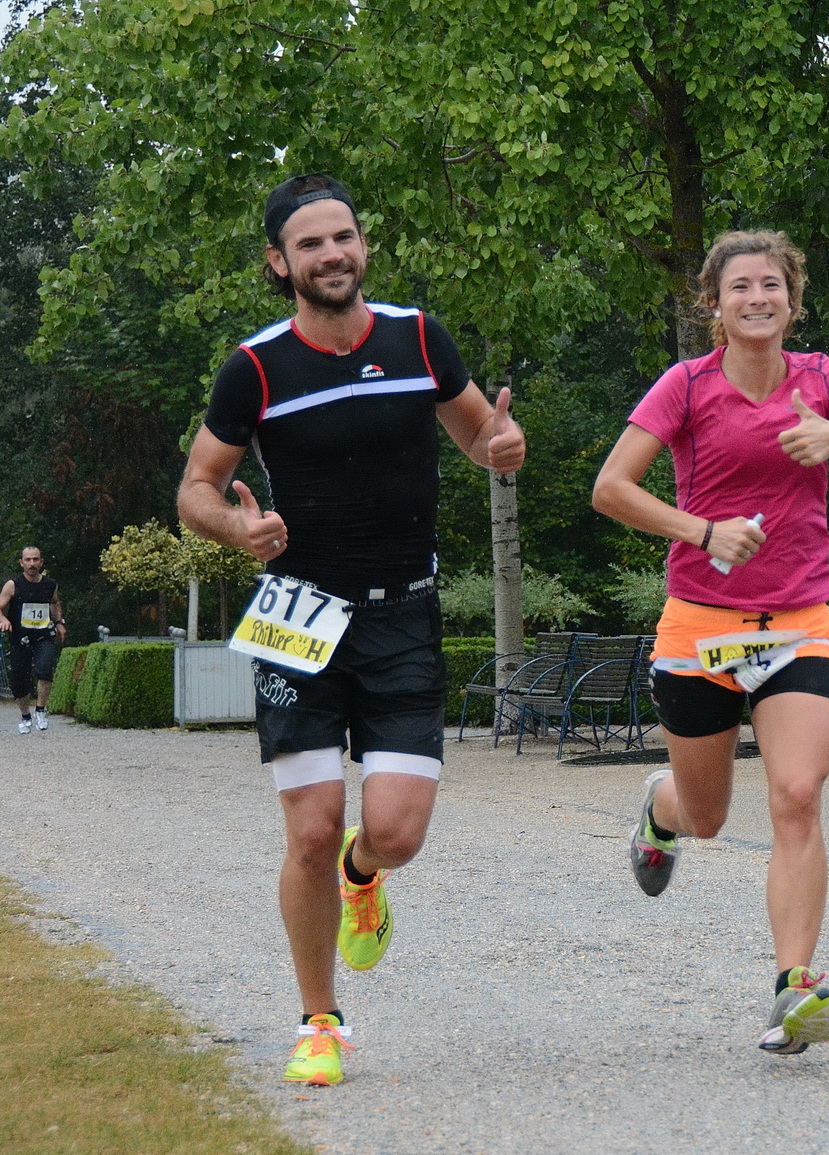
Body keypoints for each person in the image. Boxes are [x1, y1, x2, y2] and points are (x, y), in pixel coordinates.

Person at [178, 174, 524, 1086]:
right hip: (301, 616)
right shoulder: (254, 366)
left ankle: (364, 874)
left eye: (345, 237)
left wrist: (500, 447)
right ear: (278, 262)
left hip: (404, 610)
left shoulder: (417, 336)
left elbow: (477, 433)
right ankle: (318, 1021)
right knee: (308, 830)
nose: (332, 254)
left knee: (396, 830)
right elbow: (194, 492)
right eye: (311, 244)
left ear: (362, 245)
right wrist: (238, 528)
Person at [591, 230, 829, 1054]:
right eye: (741, 287)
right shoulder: (686, 385)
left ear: (792, 299)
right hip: (700, 629)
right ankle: (662, 809)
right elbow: (611, 487)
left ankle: (794, 989)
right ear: (715, 304)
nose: (758, 297)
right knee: (708, 815)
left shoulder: (826, 379)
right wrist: (701, 531)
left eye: (773, 284)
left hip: (799, 623)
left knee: (798, 795)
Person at [0, 546, 68, 733]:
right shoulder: (13, 585)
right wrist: (4, 619)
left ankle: (40, 710)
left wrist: (59, 622)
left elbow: (54, 602)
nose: (32, 564)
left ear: (41, 562)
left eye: (35, 559)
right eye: (28, 560)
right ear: (21, 563)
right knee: (19, 680)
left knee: (45, 670)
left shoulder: (50, 584)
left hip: (43, 635)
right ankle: (25, 716)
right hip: (20, 637)